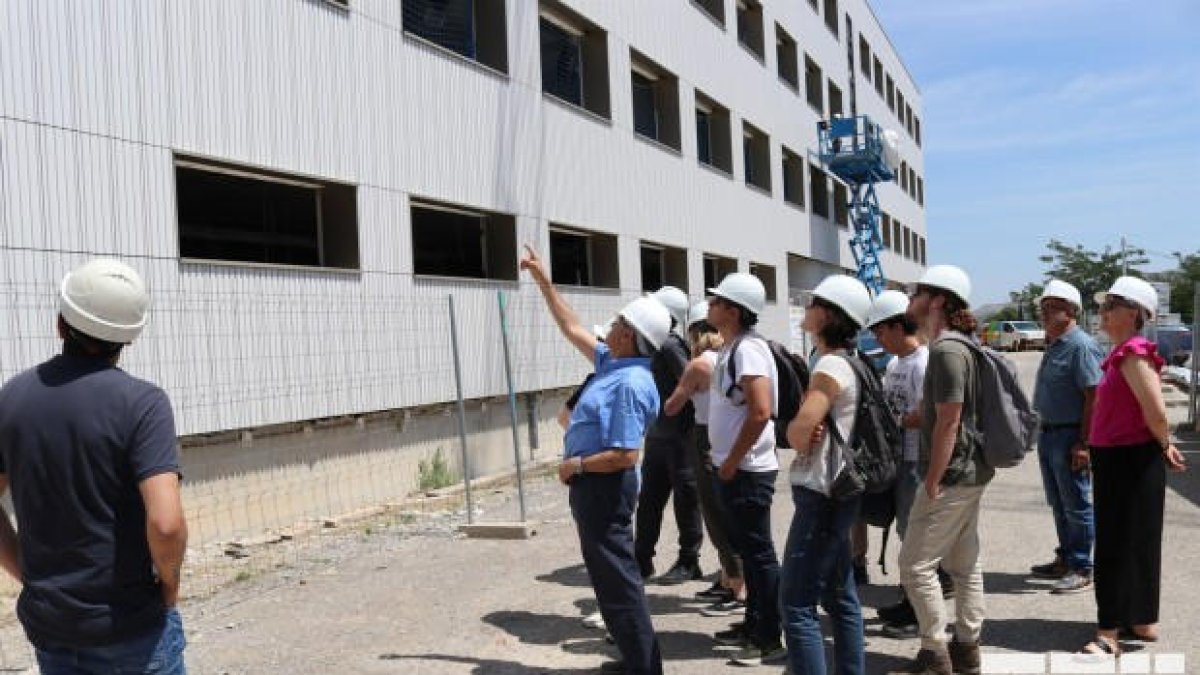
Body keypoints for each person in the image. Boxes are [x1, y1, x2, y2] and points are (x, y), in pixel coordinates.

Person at [0, 258, 188, 675]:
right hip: (131, 631)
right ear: (129, 338)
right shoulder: (142, 405)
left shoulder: (11, 399)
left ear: (61, 323)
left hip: (53, 628)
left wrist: (26, 571)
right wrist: (170, 586)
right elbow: (167, 524)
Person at [520, 244, 668, 674]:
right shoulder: (613, 365)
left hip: (603, 485)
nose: (611, 327)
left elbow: (625, 455)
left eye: (619, 322)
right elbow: (571, 326)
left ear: (629, 335)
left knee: (619, 581)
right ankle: (633, 660)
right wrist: (542, 280)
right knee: (608, 579)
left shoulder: (628, 384)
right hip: (594, 488)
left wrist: (576, 467)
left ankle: (644, 667)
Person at [890, 265, 990, 675]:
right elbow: (945, 414)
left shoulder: (947, 350)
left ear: (938, 301)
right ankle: (967, 649)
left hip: (952, 475)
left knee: (915, 566)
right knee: (965, 565)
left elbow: (951, 419)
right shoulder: (960, 345)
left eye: (917, 293)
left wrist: (932, 478)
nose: (910, 299)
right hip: (970, 471)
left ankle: (935, 654)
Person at [1080, 276, 1187, 657]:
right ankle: (1140, 619)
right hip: (1124, 457)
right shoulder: (1124, 352)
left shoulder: (1133, 353)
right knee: (1136, 539)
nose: (1101, 313)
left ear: (1133, 313)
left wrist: (1165, 442)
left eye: (1109, 306)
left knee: (1114, 543)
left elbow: (1155, 410)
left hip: (1128, 458)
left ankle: (1108, 631)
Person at [782, 275, 872, 675]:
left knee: (797, 604)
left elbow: (799, 432)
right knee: (840, 596)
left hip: (821, 491)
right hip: (841, 489)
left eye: (813, 302)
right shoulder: (856, 361)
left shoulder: (831, 365)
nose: (806, 307)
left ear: (829, 314)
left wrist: (796, 427)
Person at [705, 273, 784, 667]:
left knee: (758, 553)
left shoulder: (749, 350)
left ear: (732, 311)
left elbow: (760, 411)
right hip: (733, 467)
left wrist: (733, 459)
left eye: (716, 301)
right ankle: (754, 622)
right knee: (750, 551)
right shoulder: (733, 347)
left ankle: (768, 636)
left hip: (747, 471)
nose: (709, 305)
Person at [663, 302, 744, 614]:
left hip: (706, 437)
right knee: (730, 510)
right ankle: (727, 579)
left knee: (716, 513)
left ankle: (738, 588)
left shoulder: (699, 365)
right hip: (734, 437)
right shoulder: (731, 357)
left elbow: (672, 406)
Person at [1029, 279, 1103, 594]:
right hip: (1049, 435)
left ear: (1071, 310)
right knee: (1059, 504)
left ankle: (1082, 567)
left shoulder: (1081, 345)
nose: (1044, 315)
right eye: (1043, 309)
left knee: (1076, 505)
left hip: (1071, 435)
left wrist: (1084, 443)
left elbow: (1094, 396)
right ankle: (1067, 556)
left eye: (1051, 308)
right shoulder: (1056, 343)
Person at [864, 290, 930, 638]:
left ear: (896, 325)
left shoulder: (923, 362)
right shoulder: (893, 365)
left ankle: (919, 613)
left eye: (880, 330)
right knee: (906, 533)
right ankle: (908, 600)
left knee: (915, 536)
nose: (877, 338)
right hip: (897, 459)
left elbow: (932, 413)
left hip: (917, 459)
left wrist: (898, 421)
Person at [636, 287, 705, 585]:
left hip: (679, 437)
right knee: (649, 500)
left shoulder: (670, 345)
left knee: (685, 501)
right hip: (657, 436)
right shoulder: (653, 344)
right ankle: (641, 560)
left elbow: (691, 382)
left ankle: (689, 561)